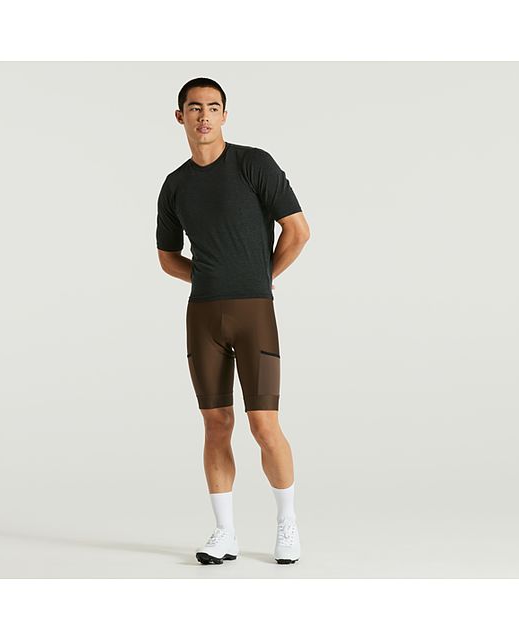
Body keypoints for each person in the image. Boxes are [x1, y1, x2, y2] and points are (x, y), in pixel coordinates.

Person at [156, 77, 311, 565]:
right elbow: (167, 257)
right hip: (203, 315)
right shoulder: (175, 185)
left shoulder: (253, 164)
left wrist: (258, 278)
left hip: (254, 313)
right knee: (216, 423)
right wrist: (209, 276)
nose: (204, 115)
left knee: (263, 423)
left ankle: (287, 523)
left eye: (213, 107)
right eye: (194, 107)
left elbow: (298, 231)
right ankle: (225, 533)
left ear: (225, 115)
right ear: (180, 116)